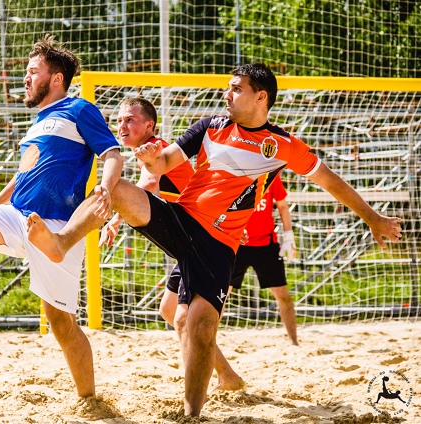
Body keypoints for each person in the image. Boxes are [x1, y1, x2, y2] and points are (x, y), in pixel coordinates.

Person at [25, 63, 402, 417]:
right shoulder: (210, 126)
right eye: (228, 88)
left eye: (236, 89)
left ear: (261, 97)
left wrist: (373, 218)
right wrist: (153, 157)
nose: (227, 94)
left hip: (219, 243)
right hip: (183, 221)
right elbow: (163, 164)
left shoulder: (283, 145)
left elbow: (331, 181)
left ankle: (193, 413)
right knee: (118, 189)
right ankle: (62, 241)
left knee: (197, 325)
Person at [0, 35, 123, 399]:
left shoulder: (79, 109)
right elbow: (23, 174)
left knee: (62, 324)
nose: (25, 78)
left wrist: (106, 187)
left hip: (58, 227)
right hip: (18, 216)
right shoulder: (38, 123)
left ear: (56, 79)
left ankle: (89, 400)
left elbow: (111, 153)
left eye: (33, 71)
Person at [99, 97, 245, 391]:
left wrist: (114, 220)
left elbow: (149, 184)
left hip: (215, 242)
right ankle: (227, 376)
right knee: (169, 310)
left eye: (130, 120)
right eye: (119, 120)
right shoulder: (152, 151)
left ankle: (197, 389)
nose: (122, 126)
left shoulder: (157, 149)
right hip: (197, 240)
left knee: (186, 320)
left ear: (149, 125)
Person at [232, 173, 299, 345]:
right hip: (237, 243)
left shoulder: (270, 173)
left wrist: (289, 236)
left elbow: (283, 206)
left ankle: (294, 342)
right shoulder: (232, 173)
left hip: (266, 244)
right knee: (220, 295)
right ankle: (211, 340)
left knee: (283, 294)